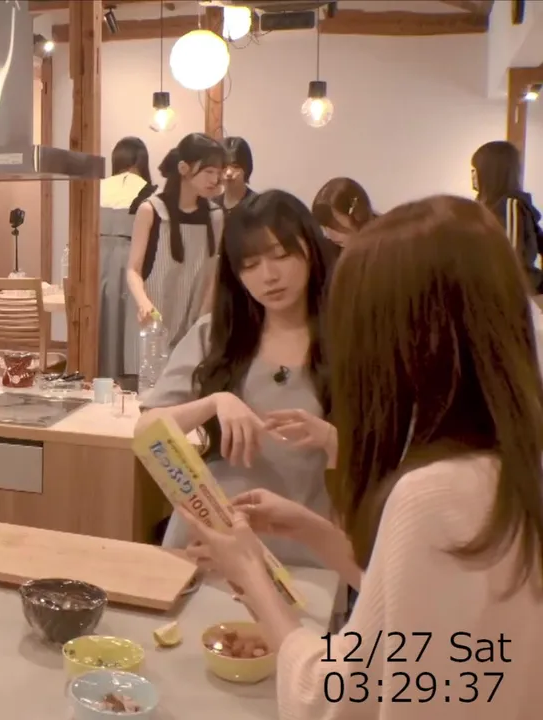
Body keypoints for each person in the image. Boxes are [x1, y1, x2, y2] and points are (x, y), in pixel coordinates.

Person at [184, 195, 543, 718]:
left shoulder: (433, 494)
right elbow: (415, 616)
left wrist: (252, 575)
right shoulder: (504, 468)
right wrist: (309, 528)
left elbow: (332, 696)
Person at [134, 190, 337, 565]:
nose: (269, 276)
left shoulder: (349, 341)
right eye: (250, 264)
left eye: (281, 255)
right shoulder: (215, 336)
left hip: (304, 552)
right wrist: (215, 402)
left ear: (312, 250)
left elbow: (383, 464)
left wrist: (329, 437)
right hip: (210, 540)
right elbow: (147, 431)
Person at [126, 133, 227, 350]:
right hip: (153, 320)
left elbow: (213, 273)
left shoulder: (215, 216)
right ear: (183, 168)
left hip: (195, 324)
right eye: (209, 171)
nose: (215, 180)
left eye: (218, 173)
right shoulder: (151, 210)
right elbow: (133, 269)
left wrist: (202, 320)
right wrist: (143, 302)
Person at [98, 137, 158, 379]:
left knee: (99, 323)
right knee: (127, 328)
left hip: (94, 259)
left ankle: (95, 378)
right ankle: (125, 384)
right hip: (130, 259)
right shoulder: (149, 192)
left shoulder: (98, 187)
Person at [472, 140, 543, 292]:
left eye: (475, 170)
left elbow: (510, 257)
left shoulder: (512, 205)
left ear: (491, 172)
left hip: (513, 288)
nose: (472, 175)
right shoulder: (482, 207)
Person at [311, 177, 376, 248]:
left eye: (335, 226)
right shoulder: (329, 249)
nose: (329, 235)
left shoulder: (382, 245)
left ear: (359, 215)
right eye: (324, 227)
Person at [219, 136, 256, 214]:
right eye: (224, 166)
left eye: (235, 167)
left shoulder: (257, 205)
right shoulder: (212, 206)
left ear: (246, 169)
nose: (229, 173)